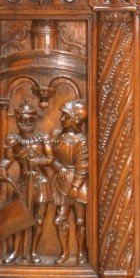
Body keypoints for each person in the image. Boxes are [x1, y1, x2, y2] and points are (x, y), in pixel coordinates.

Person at [0, 102, 52, 263]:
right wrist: (2, 168)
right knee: (20, 217)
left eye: (30, 120)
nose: (26, 123)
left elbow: (50, 158)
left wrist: (38, 160)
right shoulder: (13, 139)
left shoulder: (43, 137)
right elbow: (8, 158)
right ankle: (15, 251)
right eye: (23, 120)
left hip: (40, 182)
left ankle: (33, 252)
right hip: (23, 180)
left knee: (38, 219)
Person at [50, 100, 89, 264]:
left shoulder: (81, 140)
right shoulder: (57, 137)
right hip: (61, 181)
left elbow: (83, 165)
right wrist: (58, 167)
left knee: (80, 220)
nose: (61, 119)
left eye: (65, 116)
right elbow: (50, 157)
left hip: (77, 184)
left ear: (75, 120)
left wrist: (76, 185)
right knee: (60, 219)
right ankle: (65, 252)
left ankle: (80, 253)